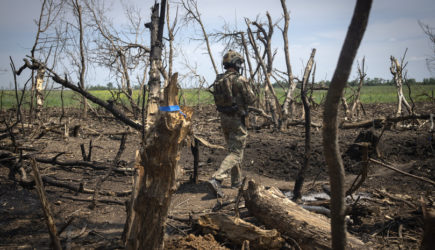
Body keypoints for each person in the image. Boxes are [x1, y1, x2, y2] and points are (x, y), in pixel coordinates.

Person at [207, 50, 255, 198]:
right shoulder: (239, 80)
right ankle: (217, 178)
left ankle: (236, 181)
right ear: (237, 64)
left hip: (224, 119)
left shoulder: (219, 80)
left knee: (234, 150)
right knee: (235, 152)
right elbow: (251, 99)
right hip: (237, 119)